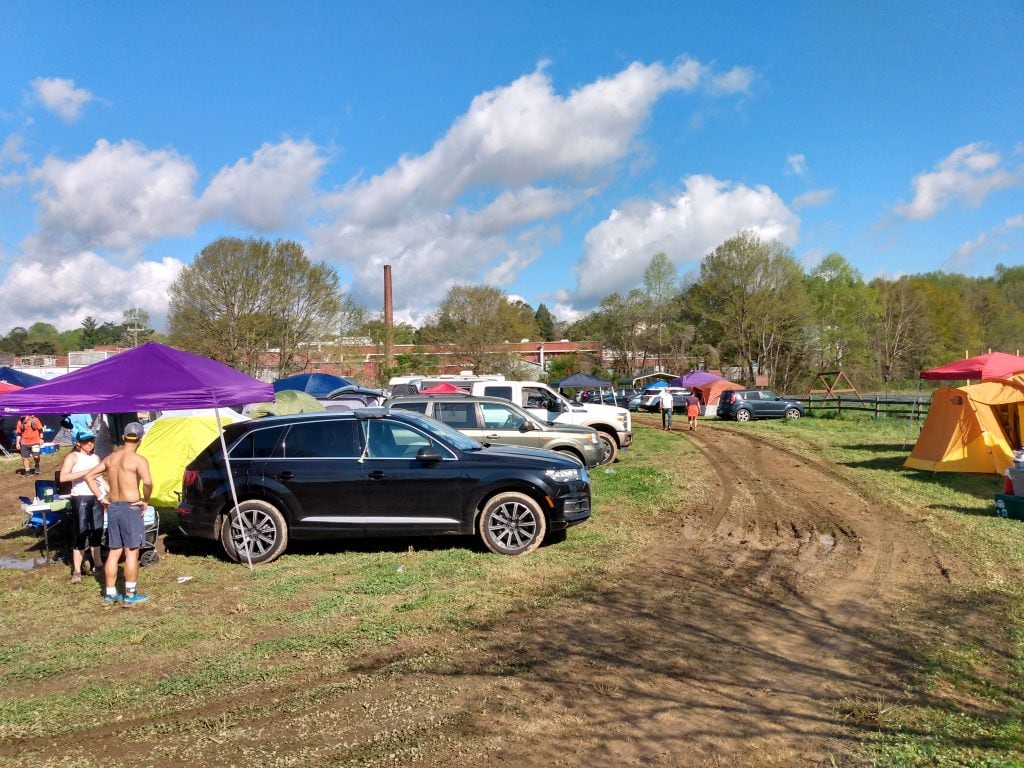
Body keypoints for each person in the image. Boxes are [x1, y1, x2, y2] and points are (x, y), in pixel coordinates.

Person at [85, 422, 153, 606]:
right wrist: (145, 500)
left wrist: (101, 497)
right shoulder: (138, 460)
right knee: (131, 553)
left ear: (123, 437)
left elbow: (89, 476)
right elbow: (147, 482)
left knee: (114, 552)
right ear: (140, 439)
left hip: (113, 507)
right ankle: (130, 596)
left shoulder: (110, 458)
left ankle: (110, 593)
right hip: (130, 508)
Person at [60, 430, 103, 584]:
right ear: (78, 443)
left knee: (97, 530)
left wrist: (106, 492)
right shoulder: (73, 457)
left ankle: (98, 564)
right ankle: (77, 570)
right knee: (80, 533)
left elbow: (100, 477)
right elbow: (63, 477)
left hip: (96, 497)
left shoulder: (96, 457)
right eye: (86, 441)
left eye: (92, 440)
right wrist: (86, 473)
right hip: (80, 496)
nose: (90, 443)